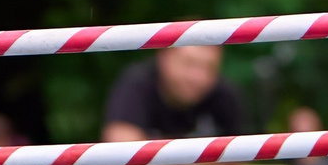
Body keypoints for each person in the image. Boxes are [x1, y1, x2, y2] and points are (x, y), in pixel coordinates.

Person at [102, 45, 249, 142]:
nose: (198, 77)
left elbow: (241, 155)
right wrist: (207, 158)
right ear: (164, 57)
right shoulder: (137, 83)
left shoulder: (225, 94)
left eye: (210, 67)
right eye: (189, 63)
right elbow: (123, 150)